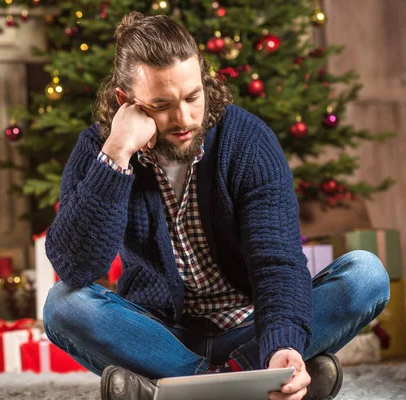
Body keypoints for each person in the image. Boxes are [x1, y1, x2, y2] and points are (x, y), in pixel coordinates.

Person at [42, 11, 390, 400]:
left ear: (204, 82)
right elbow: (75, 267)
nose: (184, 117)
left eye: (193, 97)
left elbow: (277, 261)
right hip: (162, 337)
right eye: (162, 105)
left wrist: (282, 346)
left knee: (366, 275)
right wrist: (117, 153)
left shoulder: (247, 141)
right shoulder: (99, 149)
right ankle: (239, 381)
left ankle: (180, 387)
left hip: (251, 327)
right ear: (127, 102)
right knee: (62, 306)